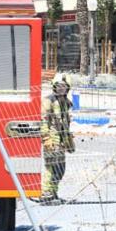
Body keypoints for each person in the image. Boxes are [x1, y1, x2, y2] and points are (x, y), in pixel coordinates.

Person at [41, 74, 76, 204]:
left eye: (64, 86)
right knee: (51, 167)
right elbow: (43, 121)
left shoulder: (65, 103)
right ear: (54, 87)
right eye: (59, 86)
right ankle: (46, 193)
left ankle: (54, 192)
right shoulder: (48, 101)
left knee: (60, 169)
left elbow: (65, 122)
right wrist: (46, 138)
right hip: (52, 140)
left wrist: (68, 139)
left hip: (61, 141)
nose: (61, 89)